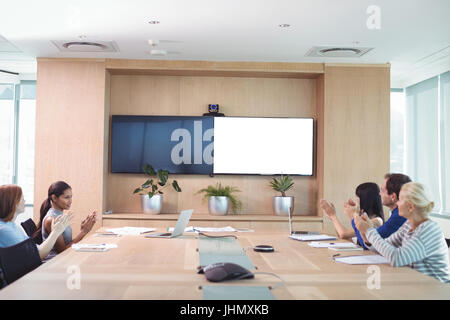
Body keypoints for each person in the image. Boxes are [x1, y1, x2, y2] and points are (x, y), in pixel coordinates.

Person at [354, 182, 450, 283]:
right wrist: (364, 233)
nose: (397, 203)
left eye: (400, 200)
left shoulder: (429, 230)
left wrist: (369, 231)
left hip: (437, 291)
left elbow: (397, 258)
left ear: (411, 207)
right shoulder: (409, 224)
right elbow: (384, 245)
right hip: (418, 286)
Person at [0, 184, 72, 261]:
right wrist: (55, 232)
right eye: (21, 199)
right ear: (11, 202)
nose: (24, 201)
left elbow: (36, 250)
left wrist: (56, 232)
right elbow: (36, 256)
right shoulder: (5, 230)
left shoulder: (13, 226)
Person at [35, 181, 97, 260]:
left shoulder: (59, 216)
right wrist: (83, 232)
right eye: (67, 197)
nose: (70, 201)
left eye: (71, 197)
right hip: (53, 263)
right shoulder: (51, 220)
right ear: (54, 198)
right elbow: (63, 252)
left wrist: (83, 230)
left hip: (63, 260)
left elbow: (67, 245)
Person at [320, 182, 384, 247]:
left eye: (357, 198)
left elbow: (343, 233)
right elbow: (345, 237)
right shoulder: (362, 217)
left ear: (365, 200)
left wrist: (333, 216)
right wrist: (332, 218)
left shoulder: (377, 221)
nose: (355, 201)